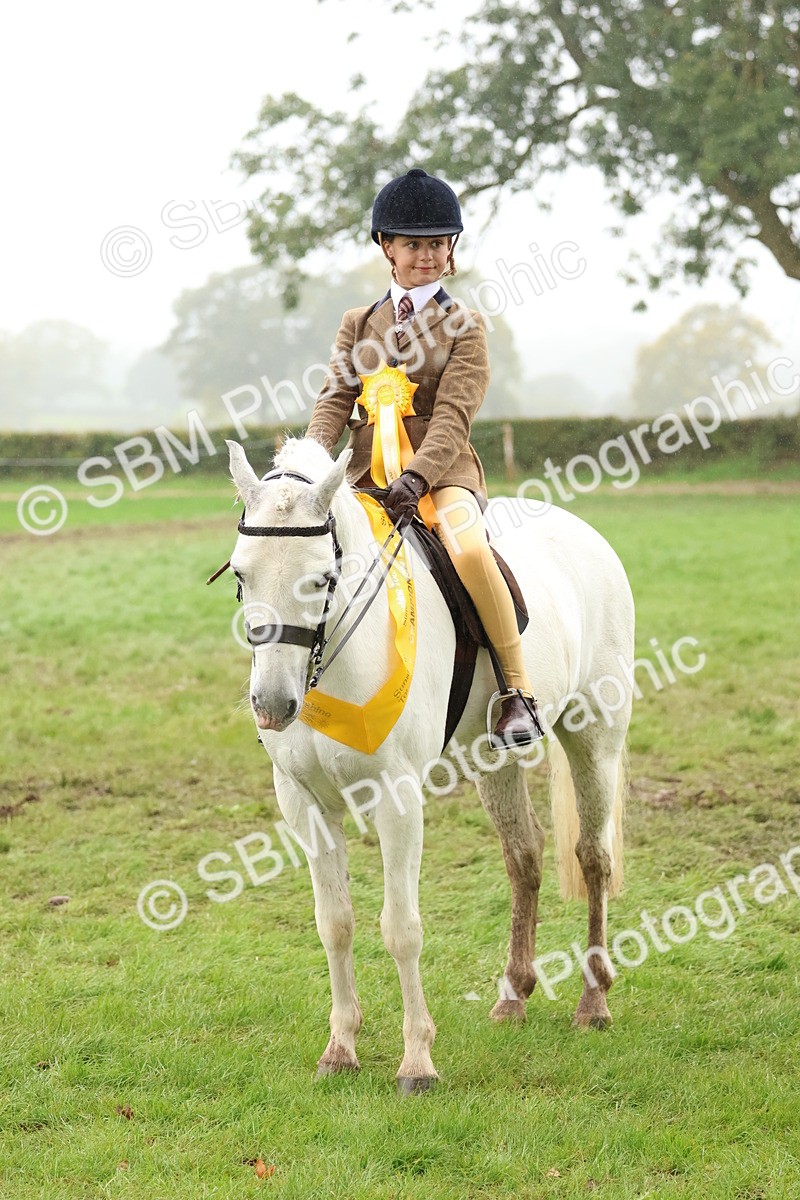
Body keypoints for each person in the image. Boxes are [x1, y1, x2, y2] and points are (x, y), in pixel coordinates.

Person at [306, 167, 543, 748]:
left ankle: (517, 690)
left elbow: (455, 416)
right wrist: (309, 462)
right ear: (387, 247)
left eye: (438, 244)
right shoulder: (358, 324)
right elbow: (336, 397)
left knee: (467, 548)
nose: (427, 256)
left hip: (441, 477)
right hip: (365, 477)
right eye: (414, 244)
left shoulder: (465, 325)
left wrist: (417, 476)